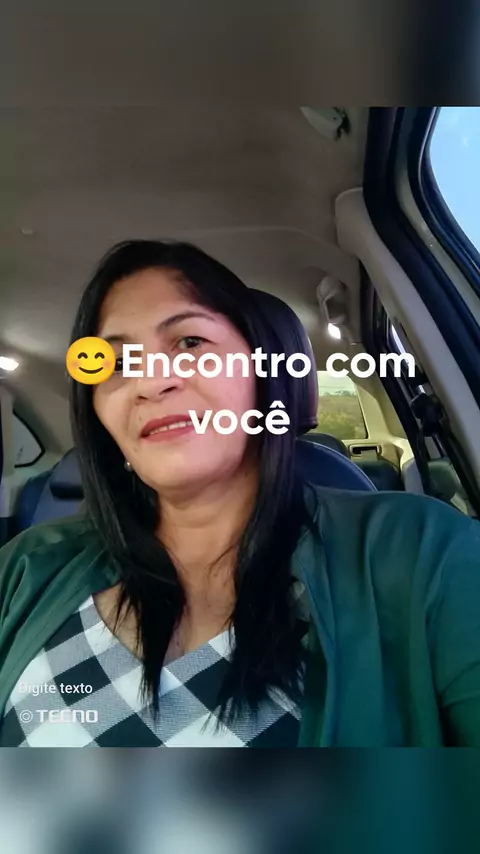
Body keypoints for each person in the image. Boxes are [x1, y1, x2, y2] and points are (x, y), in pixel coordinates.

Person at [1, 239, 480, 748]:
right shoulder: (25, 569)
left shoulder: (422, 554)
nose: (150, 382)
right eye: (116, 362)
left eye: (190, 342)